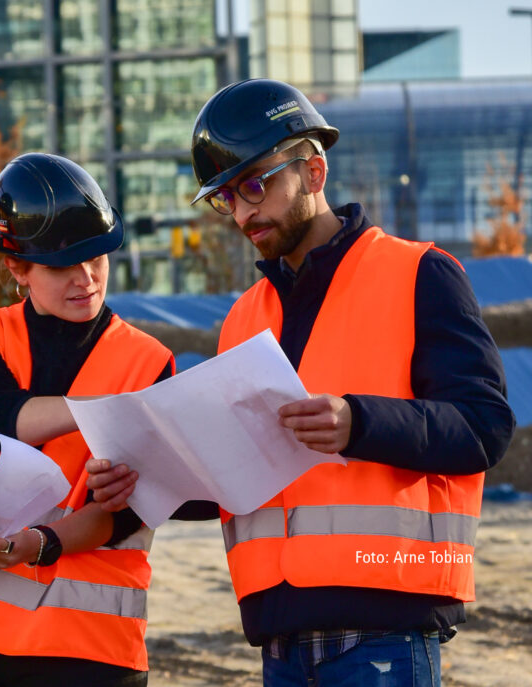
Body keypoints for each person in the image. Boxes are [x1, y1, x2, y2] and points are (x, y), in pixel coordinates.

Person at [87, 78, 515, 686]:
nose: (241, 213)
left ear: (313, 172)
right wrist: (145, 481)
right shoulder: (242, 317)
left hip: (384, 629)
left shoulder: (419, 274)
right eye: (225, 199)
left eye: (255, 186)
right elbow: (237, 479)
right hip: (279, 640)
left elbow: (484, 426)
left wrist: (357, 423)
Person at [0, 152, 211, 687]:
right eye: (63, 266)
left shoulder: (147, 360)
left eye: (97, 259)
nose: (87, 279)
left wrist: (48, 539)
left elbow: (132, 511)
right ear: (18, 268)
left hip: (85, 641)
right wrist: (110, 414)